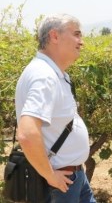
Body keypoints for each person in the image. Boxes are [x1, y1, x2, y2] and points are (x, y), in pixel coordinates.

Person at [15, 14, 96, 202]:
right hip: (60, 184)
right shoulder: (44, 76)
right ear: (54, 36)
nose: (81, 42)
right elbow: (27, 133)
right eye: (76, 34)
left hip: (73, 178)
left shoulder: (52, 73)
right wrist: (50, 175)